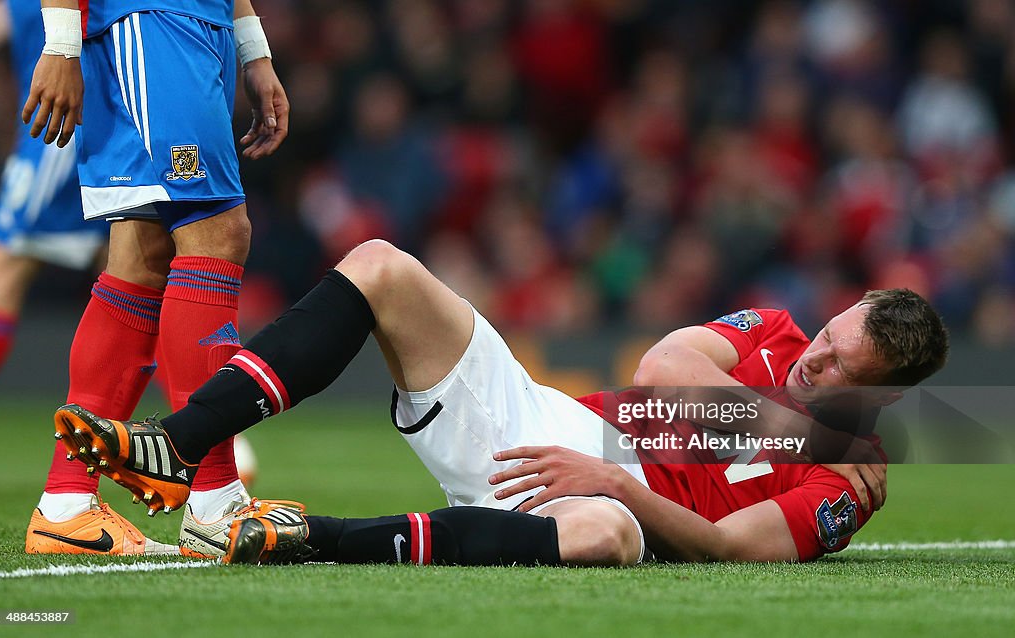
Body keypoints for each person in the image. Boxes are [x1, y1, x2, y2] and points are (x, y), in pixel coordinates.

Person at [54, 240, 949, 565]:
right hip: (548, 423)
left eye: (838, 371)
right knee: (382, 268)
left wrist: (620, 482)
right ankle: (177, 443)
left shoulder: (851, 478)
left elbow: (730, 547)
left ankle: (304, 536)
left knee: (605, 537)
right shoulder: (785, 336)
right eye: (830, 336)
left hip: (612, 504)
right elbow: (664, 367)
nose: (813, 360)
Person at [23, 0, 291, 557]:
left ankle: (66, 505)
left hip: (192, 27)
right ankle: (215, 498)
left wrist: (252, 49)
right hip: (152, 25)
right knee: (218, 230)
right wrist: (61, 43)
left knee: (143, 255)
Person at [0, 0, 108, 382]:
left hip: (60, 129)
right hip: (75, 123)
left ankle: (214, 422)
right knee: (135, 275)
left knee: (2, 268)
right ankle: (214, 421)